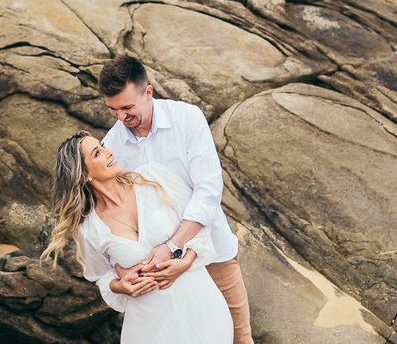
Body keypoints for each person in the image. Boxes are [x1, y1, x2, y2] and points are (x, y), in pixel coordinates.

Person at [98, 55, 252, 344]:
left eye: (127, 107)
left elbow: (207, 190)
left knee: (239, 338)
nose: (121, 117)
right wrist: (123, 270)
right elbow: (107, 211)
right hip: (157, 273)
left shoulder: (187, 118)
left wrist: (174, 247)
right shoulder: (110, 147)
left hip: (212, 253)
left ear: (148, 92)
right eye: (113, 110)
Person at [45, 132, 233, 344]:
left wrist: (187, 261)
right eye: (98, 153)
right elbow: (101, 277)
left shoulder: (154, 178)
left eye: (103, 146)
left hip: (202, 310)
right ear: (82, 175)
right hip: (150, 328)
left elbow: (199, 223)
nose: (109, 152)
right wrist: (121, 286)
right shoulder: (89, 229)